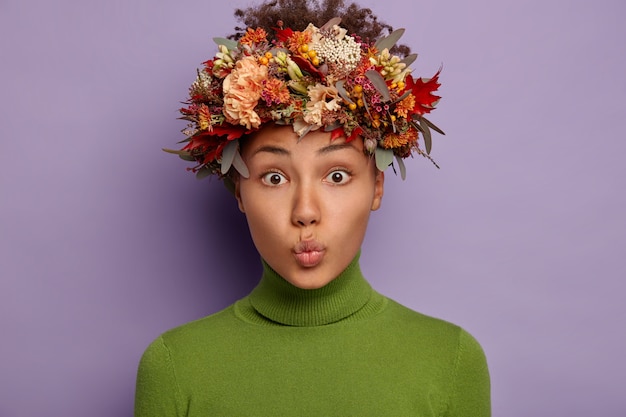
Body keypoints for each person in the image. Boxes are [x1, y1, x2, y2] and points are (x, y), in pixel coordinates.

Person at [134, 1, 491, 415]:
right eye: (274, 177)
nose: (305, 211)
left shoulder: (450, 360)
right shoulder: (175, 367)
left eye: (336, 176)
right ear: (238, 191)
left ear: (377, 186)